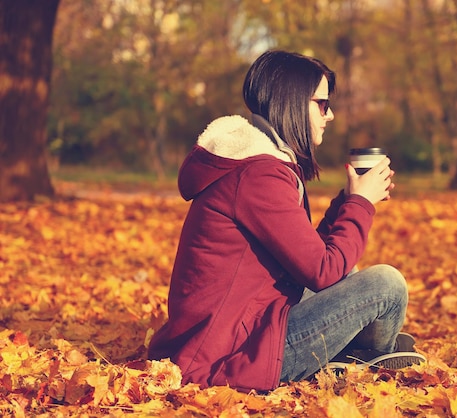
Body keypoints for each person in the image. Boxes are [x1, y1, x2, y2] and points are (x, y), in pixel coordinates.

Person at [147, 50, 425, 393]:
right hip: (228, 356)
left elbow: (305, 259)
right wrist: (360, 204)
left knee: (351, 276)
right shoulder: (258, 174)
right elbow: (322, 270)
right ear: (292, 102)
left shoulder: (255, 164)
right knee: (387, 285)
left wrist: (346, 203)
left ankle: (354, 354)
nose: (330, 115)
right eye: (322, 104)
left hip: (245, 329)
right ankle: (360, 357)